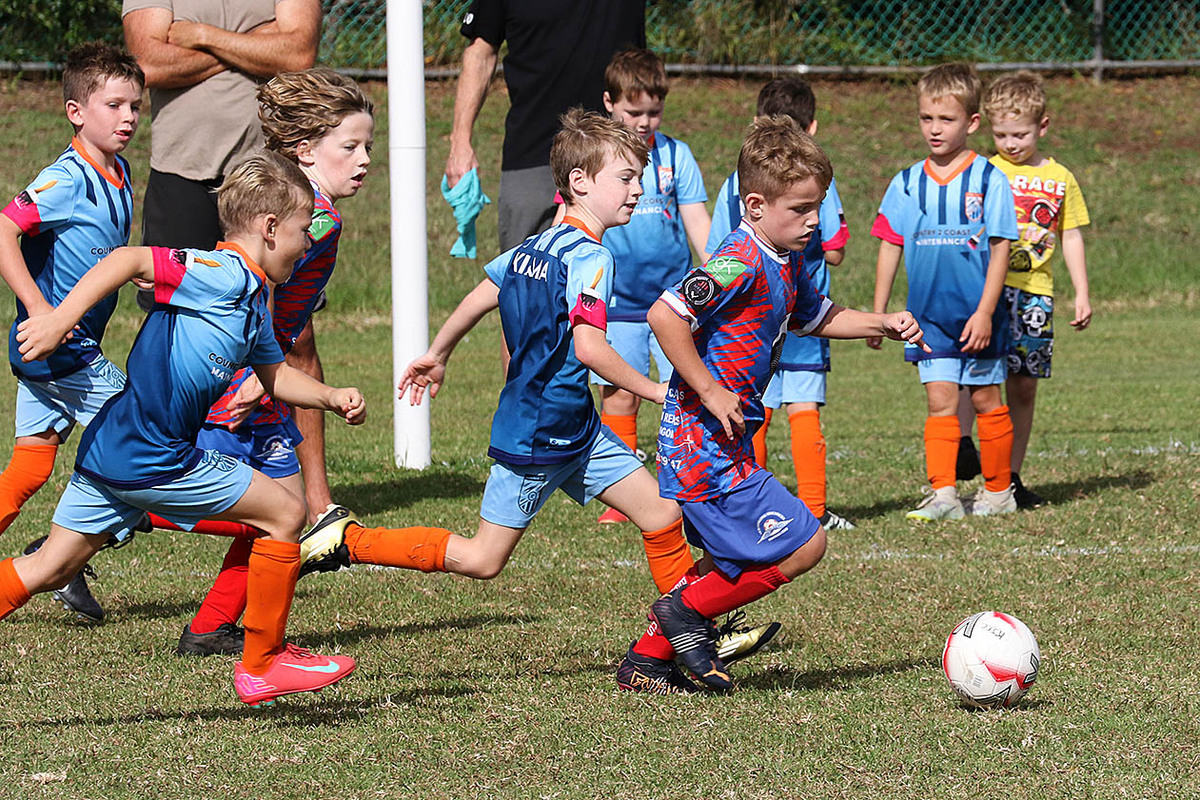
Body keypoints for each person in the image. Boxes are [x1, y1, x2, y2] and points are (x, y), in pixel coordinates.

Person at [300, 111, 776, 667]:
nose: (638, 190)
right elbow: (589, 349)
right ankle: (348, 540)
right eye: (625, 178)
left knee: (662, 516)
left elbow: (484, 291)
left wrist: (439, 351)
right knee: (483, 559)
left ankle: (685, 631)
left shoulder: (536, 244)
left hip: (576, 427)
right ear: (580, 183)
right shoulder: (592, 256)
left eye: (638, 177)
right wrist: (662, 389)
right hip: (535, 435)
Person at [0, 153, 365, 707]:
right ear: (269, 229)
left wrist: (331, 398)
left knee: (48, 568)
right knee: (286, 513)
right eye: (299, 231)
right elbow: (125, 260)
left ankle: (262, 660)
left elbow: (274, 375)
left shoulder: (252, 300)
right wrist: (56, 320)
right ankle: (263, 664)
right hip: (153, 452)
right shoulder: (221, 274)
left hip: (113, 446)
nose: (306, 242)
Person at [617, 118, 929, 694]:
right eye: (802, 209)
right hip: (699, 442)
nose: (815, 221)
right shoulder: (737, 259)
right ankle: (682, 616)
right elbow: (666, 315)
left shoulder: (784, 258)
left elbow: (819, 316)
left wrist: (882, 321)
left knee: (732, 560)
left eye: (819, 207)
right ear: (755, 205)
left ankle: (645, 662)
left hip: (723, 438)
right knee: (806, 541)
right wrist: (710, 390)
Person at [158, 68, 374, 657]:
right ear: (305, 150)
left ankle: (209, 627)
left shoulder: (311, 206)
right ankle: (120, 514)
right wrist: (255, 373)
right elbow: (262, 289)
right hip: (244, 371)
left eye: (368, 147)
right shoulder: (314, 216)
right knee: (266, 505)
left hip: (255, 368)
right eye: (349, 146)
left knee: (278, 507)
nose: (363, 160)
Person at [121, 0, 336, 522]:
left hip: (270, 177)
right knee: (176, 337)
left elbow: (299, 50)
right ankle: (152, 476)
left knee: (293, 335)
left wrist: (198, 35)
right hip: (182, 170)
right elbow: (150, 64)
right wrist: (252, 41)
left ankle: (318, 506)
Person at [0, 43, 144, 623]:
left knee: (31, 468)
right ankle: (55, 558)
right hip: (57, 350)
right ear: (75, 111)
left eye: (135, 105)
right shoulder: (66, 179)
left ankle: (59, 559)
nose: (129, 117)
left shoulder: (120, 170)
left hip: (64, 349)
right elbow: (3, 233)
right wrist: (43, 313)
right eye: (113, 105)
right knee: (147, 440)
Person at [868, 63, 1019, 521]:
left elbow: (1000, 249)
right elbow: (890, 245)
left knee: (987, 399)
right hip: (928, 317)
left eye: (946, 119)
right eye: (926, 118)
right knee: (940, 401)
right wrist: (878, 316)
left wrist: (986, 312)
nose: (934, 129)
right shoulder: (907, 182)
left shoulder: (989, 180)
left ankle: (998, 492)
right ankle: (945, 495)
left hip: (976, 315)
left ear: (972, 123)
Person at [708, 76, 855, 532]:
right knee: (804, 407)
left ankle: (752, 499)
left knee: (758, 409)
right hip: (784, 319)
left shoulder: (735, 183)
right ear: (811, 127)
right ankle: (813, 507)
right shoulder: (811, 181)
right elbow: (835, 249)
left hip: (758, 321)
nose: (808, 216)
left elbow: (713, 249)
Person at [581, 49, 711, 524]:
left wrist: (719, 279)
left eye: (654, 111)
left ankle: (693, 482)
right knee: (621, 394)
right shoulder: (594, 160)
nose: (644, 121)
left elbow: (700, 225)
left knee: (689, 388)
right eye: (634, 112)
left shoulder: (677, 156)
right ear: (609, 104)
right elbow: (570, 222)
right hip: (615, 305)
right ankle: (622, 496)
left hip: (673, 305)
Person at [954, 71, 1092, 510]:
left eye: (1020, 134)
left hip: (1035, 293)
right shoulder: (982, 169)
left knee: (1023, 385)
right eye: (1001, 134)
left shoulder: (1060, 177)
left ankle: (1009, 477)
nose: (1010, 143)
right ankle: (960, 446)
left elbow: (1069, 234)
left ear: (1042, 127)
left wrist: (1082, 292)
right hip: (984, 291)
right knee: (972, 376)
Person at [445, 0, 646, 252]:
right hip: (533, 156)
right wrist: (460, 143)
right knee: (525, 276)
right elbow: (481, 53)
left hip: (614, 160)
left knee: (613, 279)